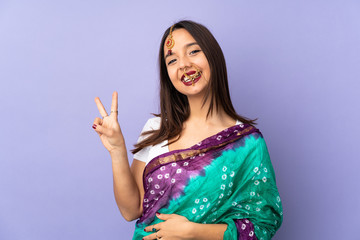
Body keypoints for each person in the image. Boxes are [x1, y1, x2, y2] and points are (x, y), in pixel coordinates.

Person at [92, 20, 283, 240]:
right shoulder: (156, 129)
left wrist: (193, 232)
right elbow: (131, 210)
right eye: (172, 60)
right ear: (168, 75)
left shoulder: (247, 144)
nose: (183, 64)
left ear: (213, 56)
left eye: (193, 51)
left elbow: (262, 225)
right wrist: (117, 150)